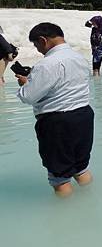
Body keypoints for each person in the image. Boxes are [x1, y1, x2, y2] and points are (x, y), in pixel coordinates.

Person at [15, 23, 94, 197]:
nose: (38, 50)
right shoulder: (79, 57)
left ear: (43, 40)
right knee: (81, 167)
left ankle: (67, 219)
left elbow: (28, 96)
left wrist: (24, 85)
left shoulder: (47, 64)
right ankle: (90, 200)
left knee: (60, 176)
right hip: (84, 116)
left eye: (36, 45)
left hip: (58, 123)